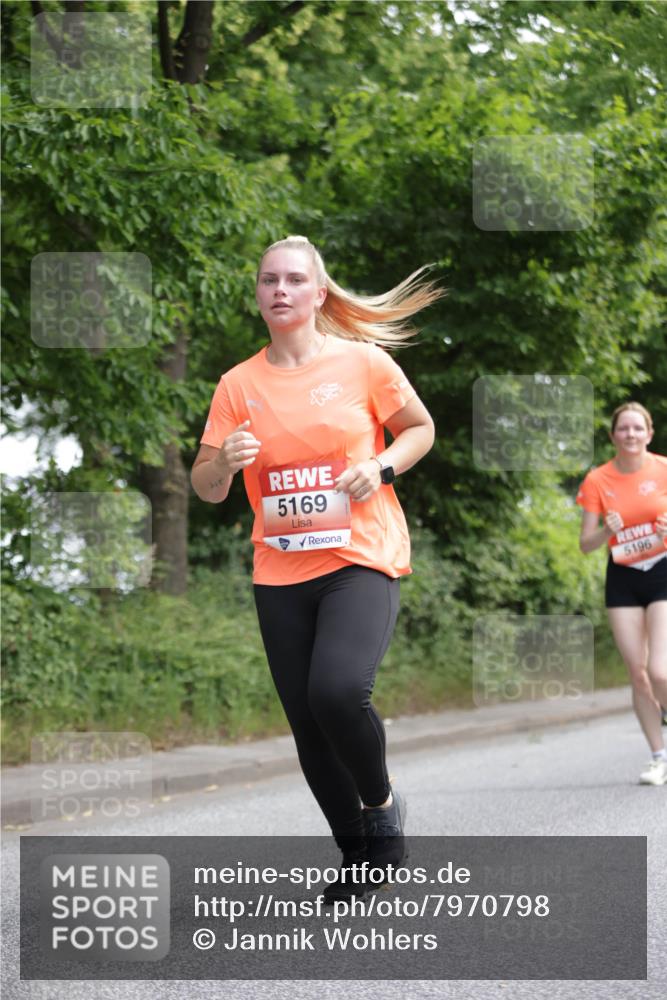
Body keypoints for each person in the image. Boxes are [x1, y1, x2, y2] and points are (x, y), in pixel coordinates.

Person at [191, 235, 444, 899]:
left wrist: (379, 466)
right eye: (268, 280)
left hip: (360, 554)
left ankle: (381, 808)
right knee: (306, 721)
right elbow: (206, 486)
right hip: (279, 569)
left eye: (294, 280)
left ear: (318, 293)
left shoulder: (363, 363)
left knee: (335, 692)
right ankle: (357, 854)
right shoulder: (237, 385)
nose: (279, 290)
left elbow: (420, 429)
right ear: (257, 294)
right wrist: (224, 462)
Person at [577, 402, 667, 786]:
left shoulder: (663, 469)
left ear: (648, 433)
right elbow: (585, 544)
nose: (630, 434)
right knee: (638, 673)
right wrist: (607, 531)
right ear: (613, 435)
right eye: (623, 429)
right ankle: (658, 756)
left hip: (662, 570)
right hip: (623, 577)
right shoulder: (598, 479)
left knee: (659, 669)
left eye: (637, 428)